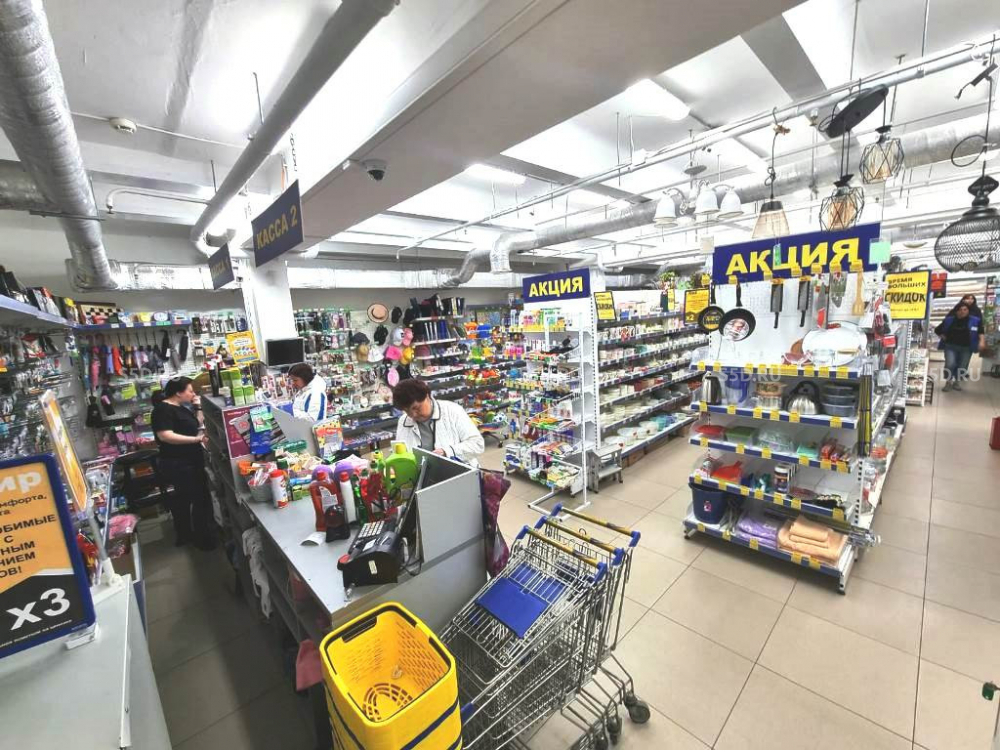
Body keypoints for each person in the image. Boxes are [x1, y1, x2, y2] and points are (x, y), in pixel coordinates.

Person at [151, 377, 215, 549]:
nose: (193, 394)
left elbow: (196, 424)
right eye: (190, 391)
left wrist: (198, 406)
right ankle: (203, 541)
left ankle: (188, 535)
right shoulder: (163, 410)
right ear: (178, 392)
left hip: (188, 460)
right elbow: (165, 436)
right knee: (198, 499)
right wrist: (196, 440)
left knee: (191, 498)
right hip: (178, 463)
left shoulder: (180, 407)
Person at [392, 379, 484, 463]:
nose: (413, 415)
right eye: (407, 411)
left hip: (459, 472)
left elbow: (477, 444)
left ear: (427, 396)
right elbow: (400, 453)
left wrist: (447, 452)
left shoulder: (452, 411)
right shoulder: (403, 421)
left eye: (416, 408)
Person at [935, 302, 984, 391]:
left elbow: (981, 332)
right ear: (956, 311)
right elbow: (937, 330)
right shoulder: (949, 320)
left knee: (962, 366)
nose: (962, 311)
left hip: (967, 347)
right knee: (950, 364)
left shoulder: (975, 321)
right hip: (950, 346)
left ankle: (957, 382)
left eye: (965, 309)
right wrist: (943, 336)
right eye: (960, 310)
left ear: (968, 311)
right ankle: (948, 382)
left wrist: (982, 341)